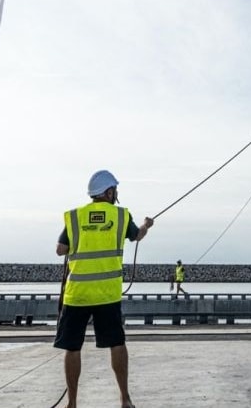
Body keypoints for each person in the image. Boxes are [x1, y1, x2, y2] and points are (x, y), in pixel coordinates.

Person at [54, 169, 154, 408]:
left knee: (72, 347)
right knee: (117, 344)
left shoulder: (75, 217)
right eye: (115, 190)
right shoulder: (120, 216)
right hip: (107, 294)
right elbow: (137, 235)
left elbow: (60, 249)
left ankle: (72, 403)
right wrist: (147, 225)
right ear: (109, 192)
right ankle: (125, 399)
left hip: (77, 295)